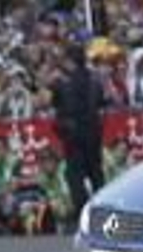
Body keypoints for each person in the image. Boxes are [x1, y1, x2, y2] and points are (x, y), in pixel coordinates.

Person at [52, 44, 105, 218]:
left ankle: (82, 213)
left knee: (75, 176)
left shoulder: (63, 84)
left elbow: (57, 107)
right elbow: (102, 104)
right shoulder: (95, 81)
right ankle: (101, 211)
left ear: (70, 61)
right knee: (96, 174)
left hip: (73, 135)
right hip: (93, 133)